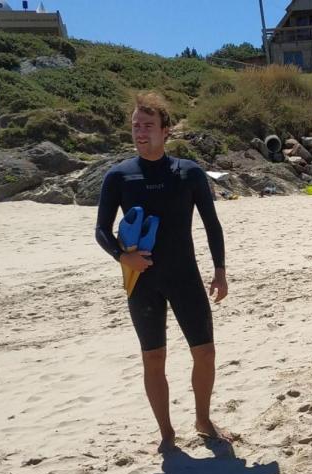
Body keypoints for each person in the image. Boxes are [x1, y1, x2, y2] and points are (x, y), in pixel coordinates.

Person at [95, 92, 231, 451]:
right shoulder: (119, 177)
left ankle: (203, 419)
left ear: (165, 130)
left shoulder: (189, 173)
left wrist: (219, 269)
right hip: (143, 282)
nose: (141, 133)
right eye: (136, 126)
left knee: (205, 353)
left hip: (184, 275)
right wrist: (123, 259)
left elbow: (212, 225)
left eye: (148, 126)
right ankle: (167, 433)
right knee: (153, 357)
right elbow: (101, 231)